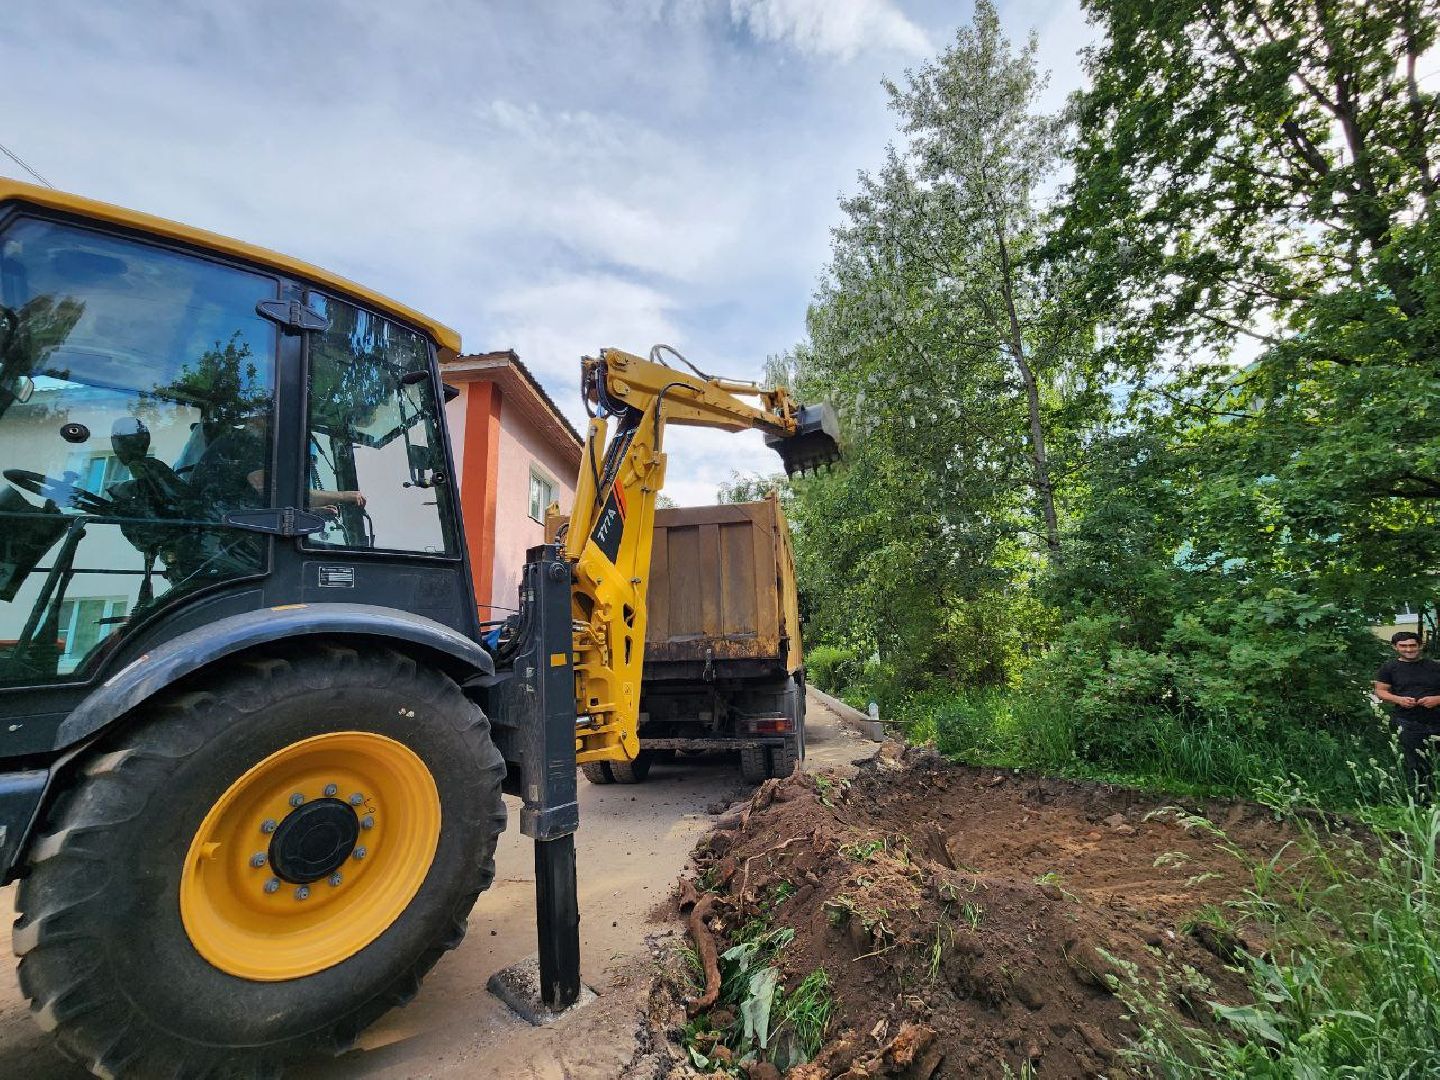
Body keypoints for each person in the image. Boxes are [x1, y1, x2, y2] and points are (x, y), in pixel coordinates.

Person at [1374, 631, 1440, 802]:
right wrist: (1399, 699)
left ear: (1420, 646)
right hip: (1408, 721)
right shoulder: (1389, 668)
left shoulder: (1435, 666)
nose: (1409, 649)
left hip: (1437, 719)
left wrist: (1437, 699)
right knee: (1417, 764)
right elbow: (1380, 691)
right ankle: (1423, 802)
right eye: (1403, 646)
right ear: (1395, 647)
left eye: (1412, 645)